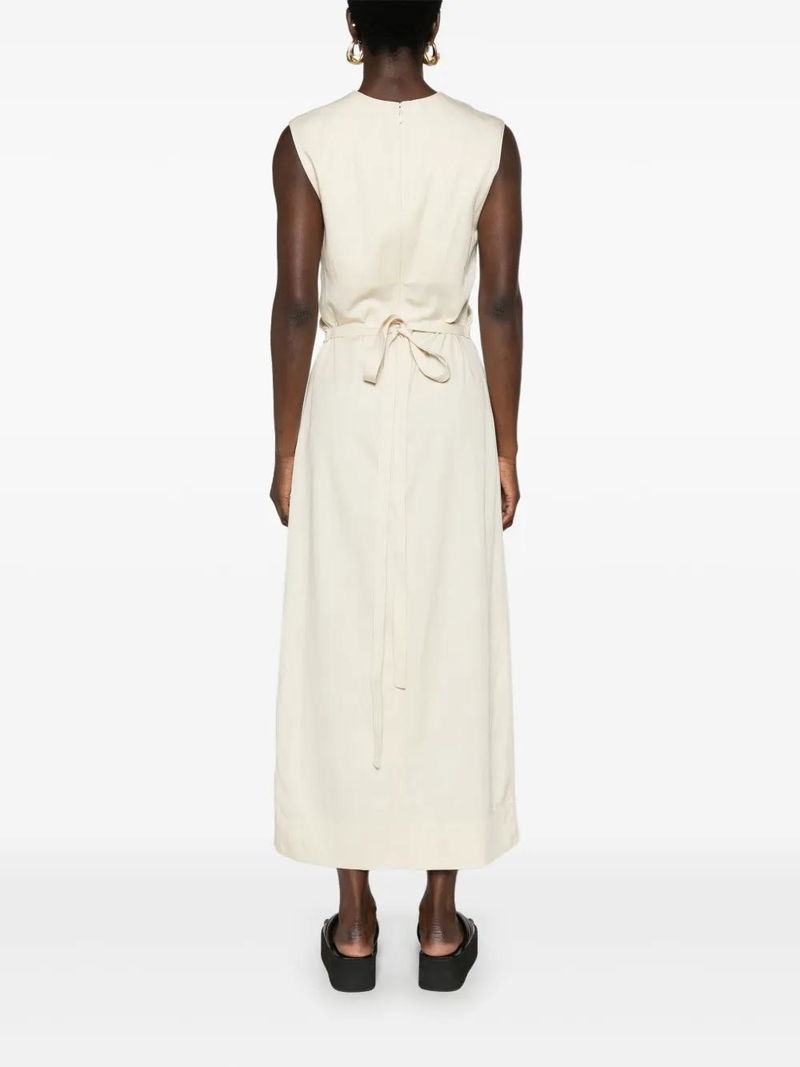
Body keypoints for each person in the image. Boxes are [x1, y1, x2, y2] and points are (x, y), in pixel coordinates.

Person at [270, 0, 522, 992]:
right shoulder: (488, 142)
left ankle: (352, 919)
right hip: (449, 400)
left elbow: (298, 303)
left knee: (341, 637)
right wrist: (505, 444)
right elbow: (497, 299)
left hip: (344, 403)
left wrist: (286, 447)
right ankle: (441, 920)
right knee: (448, 639)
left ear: (351, 21)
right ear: (432, 23)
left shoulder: (306, 142)